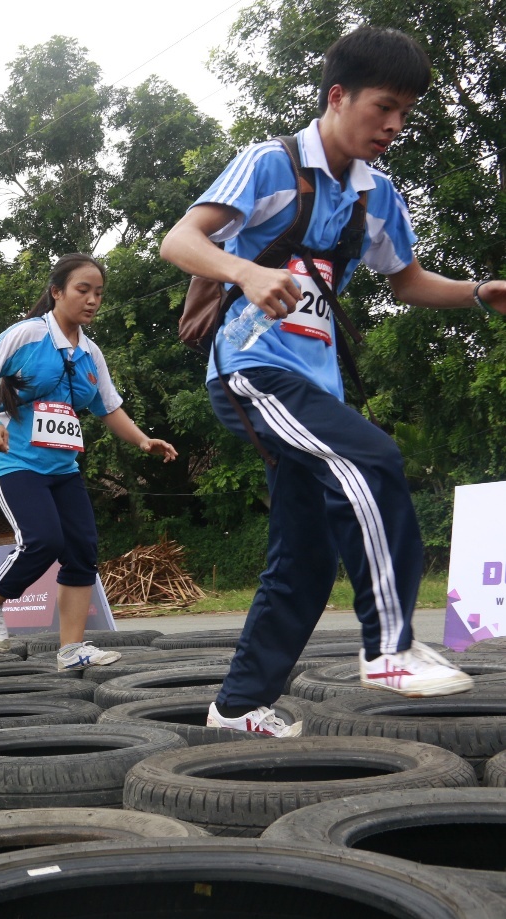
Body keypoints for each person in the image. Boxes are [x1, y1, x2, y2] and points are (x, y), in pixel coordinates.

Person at [159, 27, 505, 735]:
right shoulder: (271, 164)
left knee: (306, 557)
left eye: (405, 112)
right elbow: (180, 240)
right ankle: (389, 648)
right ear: (338, 95)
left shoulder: (377, 196)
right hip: (251, 370)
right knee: (371, 456)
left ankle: (237, 707)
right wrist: (245, 271)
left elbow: (406, 280)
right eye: (384, 107)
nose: (394, 125)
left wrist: (477, 292)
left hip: (312, 390)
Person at [0, 253, 178, 668]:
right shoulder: (28, 335)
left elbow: (108, 407)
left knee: (82, 550)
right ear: (57, 292)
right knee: (44, 540)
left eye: (99, 293)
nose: (93, 300)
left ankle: (72, 650)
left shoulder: (91, 354)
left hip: (63, 468)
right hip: (15, 461)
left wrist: (142, 440)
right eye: (83, 290)